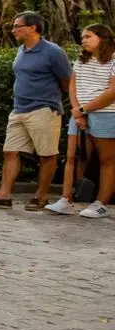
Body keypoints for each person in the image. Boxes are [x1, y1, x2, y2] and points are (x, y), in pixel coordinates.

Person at [0, 12, 72, 211]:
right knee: (10, 151)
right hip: (18, 109)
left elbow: (67, 81)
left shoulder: (53, 52)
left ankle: (41, 197)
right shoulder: (21, 50)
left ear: (33, 27)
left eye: (17, 26)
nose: (13, 30)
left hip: (44, 109)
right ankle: (4, 195)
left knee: (47, 155)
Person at [47, 24, 115, 218]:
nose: (83, 40)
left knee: (107, 160)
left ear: (103, 38)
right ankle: (66, 199)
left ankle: (101, 203)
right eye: (82, 36)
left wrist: (85, 109)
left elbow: (112, 92)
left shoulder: (113, 60)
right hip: (80, 113)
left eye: (88, 36)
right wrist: (78, 111)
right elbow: (73, 86)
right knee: (72, 157)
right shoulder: (81, 60)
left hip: (107, 114)